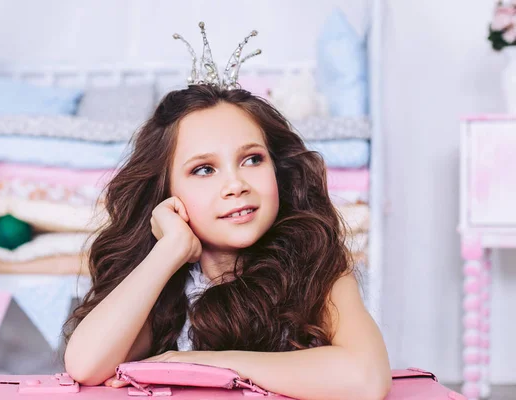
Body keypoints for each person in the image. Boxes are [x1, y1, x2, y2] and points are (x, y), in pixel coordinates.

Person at [63, 22, 391, 400]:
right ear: (167, 192)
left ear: (278, 170)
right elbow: (86, 364)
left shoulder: (317, 266)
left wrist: (207, 363)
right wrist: (168, 251)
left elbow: (366, 379)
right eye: (204, 169)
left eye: (252, 159)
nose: (236, 185)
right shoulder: (166, 287)